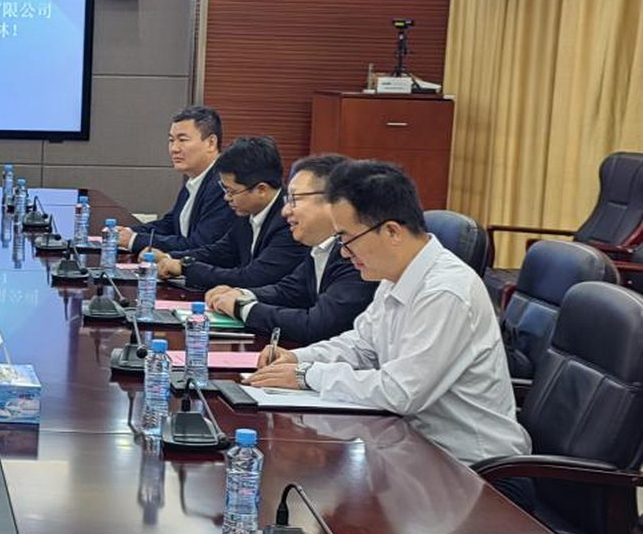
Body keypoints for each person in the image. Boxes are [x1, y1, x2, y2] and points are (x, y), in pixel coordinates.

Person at [246, 160, 529, 465]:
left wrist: (307, 375)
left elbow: (401, 391)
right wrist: (298, 358)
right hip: (410, 448)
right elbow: (362, 345)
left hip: (471, 468)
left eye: (347, 238)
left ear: (392, 231)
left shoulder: (446, 292)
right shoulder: (395, 276)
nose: (343, 251)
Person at [205, 154, 374, 344]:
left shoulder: (357, 255)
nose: (285, 211)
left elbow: (317, 325)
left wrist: (242, 308)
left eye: (294, 200)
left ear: (333, 201)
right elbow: (288, 291)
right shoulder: (321, 247)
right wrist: (243, 294)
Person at [151, 135, 304, 291]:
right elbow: (221, 252)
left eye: (232, 191)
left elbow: (254, 278)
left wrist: (186, 268)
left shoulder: (290, 222)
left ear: (261, 190)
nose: (226, 197)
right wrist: (171, 258)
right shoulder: (248, 211)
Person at [117, 105, 233, 255]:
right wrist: (128, 232)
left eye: (182, 140)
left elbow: (199, 244)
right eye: (171, 140)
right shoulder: (195, 178)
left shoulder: (223, 185)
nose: (174, 149)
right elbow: (171, 224)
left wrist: (134, 240)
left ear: (211, 142)